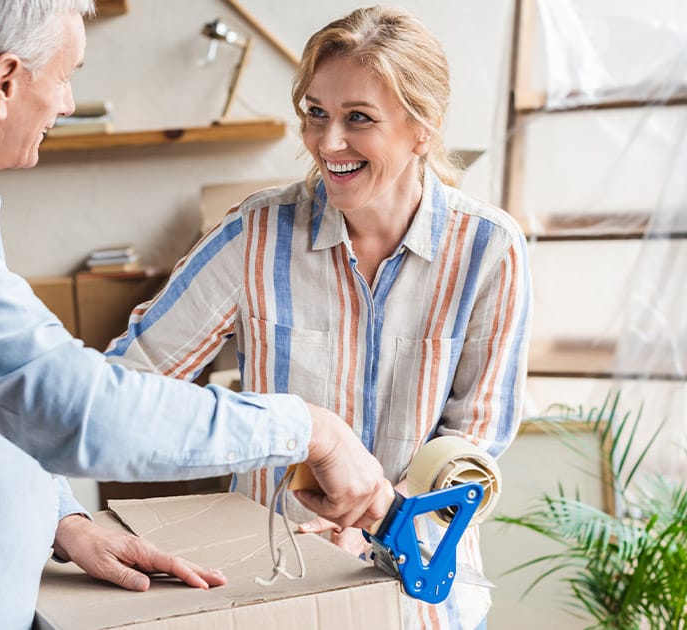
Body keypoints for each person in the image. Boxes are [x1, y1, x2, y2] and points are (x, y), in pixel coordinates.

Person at [0, 1, 393, 627]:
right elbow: (74, 407)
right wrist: (309, 428)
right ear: (4, 83)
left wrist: (61, 519)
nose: (66, 104)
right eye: (65, 76)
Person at [104, 6, 531, 629]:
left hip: (420, 587)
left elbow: (473, 451)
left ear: (423, 128)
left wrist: (381, 520)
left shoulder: (489, 249)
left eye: (358, 118)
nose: (327, 144)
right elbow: (124, 386)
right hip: (272, 582)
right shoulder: (252, 236)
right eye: (315, 113)